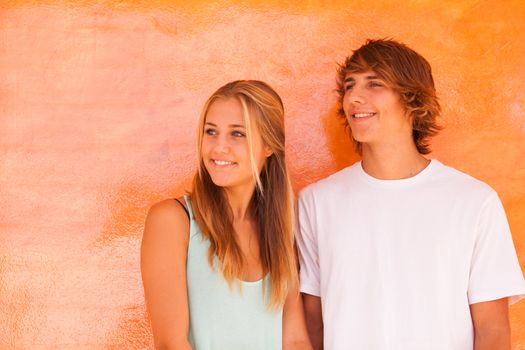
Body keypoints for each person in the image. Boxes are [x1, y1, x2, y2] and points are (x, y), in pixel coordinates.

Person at [296, 39, 525, 349]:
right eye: (350, 86)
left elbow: (493, 332)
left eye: (373, 83)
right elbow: (312, 323)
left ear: (412, 100)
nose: (354, 97)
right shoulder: (317, 203)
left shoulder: (474, 201)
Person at [141, 80, 311, 350]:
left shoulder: (280, 231)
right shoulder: (173, 220)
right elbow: (171, 343)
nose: (218, 147)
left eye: (237, 134)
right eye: (211, 132)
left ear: (269, 145)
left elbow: (295, 340)